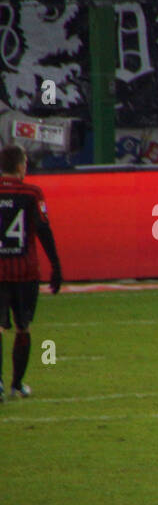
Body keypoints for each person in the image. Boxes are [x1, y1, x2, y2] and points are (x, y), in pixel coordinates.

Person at [0, 144, 61, 401]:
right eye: (24, 162)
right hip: (25, 272)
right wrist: (56, 266)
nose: (26, 167)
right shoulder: (32, 193)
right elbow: (43, 230)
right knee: (23, 327)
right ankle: (17, 385)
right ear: (18, 165)